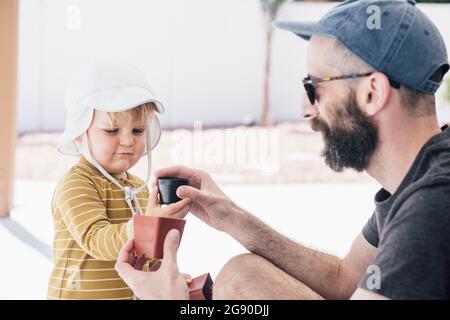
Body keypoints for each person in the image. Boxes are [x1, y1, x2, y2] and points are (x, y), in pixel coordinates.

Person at [116, 0, 450, 300]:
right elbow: (344, 280)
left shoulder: (433, 204)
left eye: (313, 87)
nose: (304, 108)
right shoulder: (419, 178)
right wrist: (231, 217)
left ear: (372, 92)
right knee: (243, 276)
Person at [48, 63, 191, 300]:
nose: (128, 141)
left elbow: (145, 253)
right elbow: (97, 240)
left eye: (137, 131)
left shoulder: (139, 188)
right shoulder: (76, 184)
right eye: (112, 131)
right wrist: (148, 222)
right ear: (79, 133)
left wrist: (164, 277)